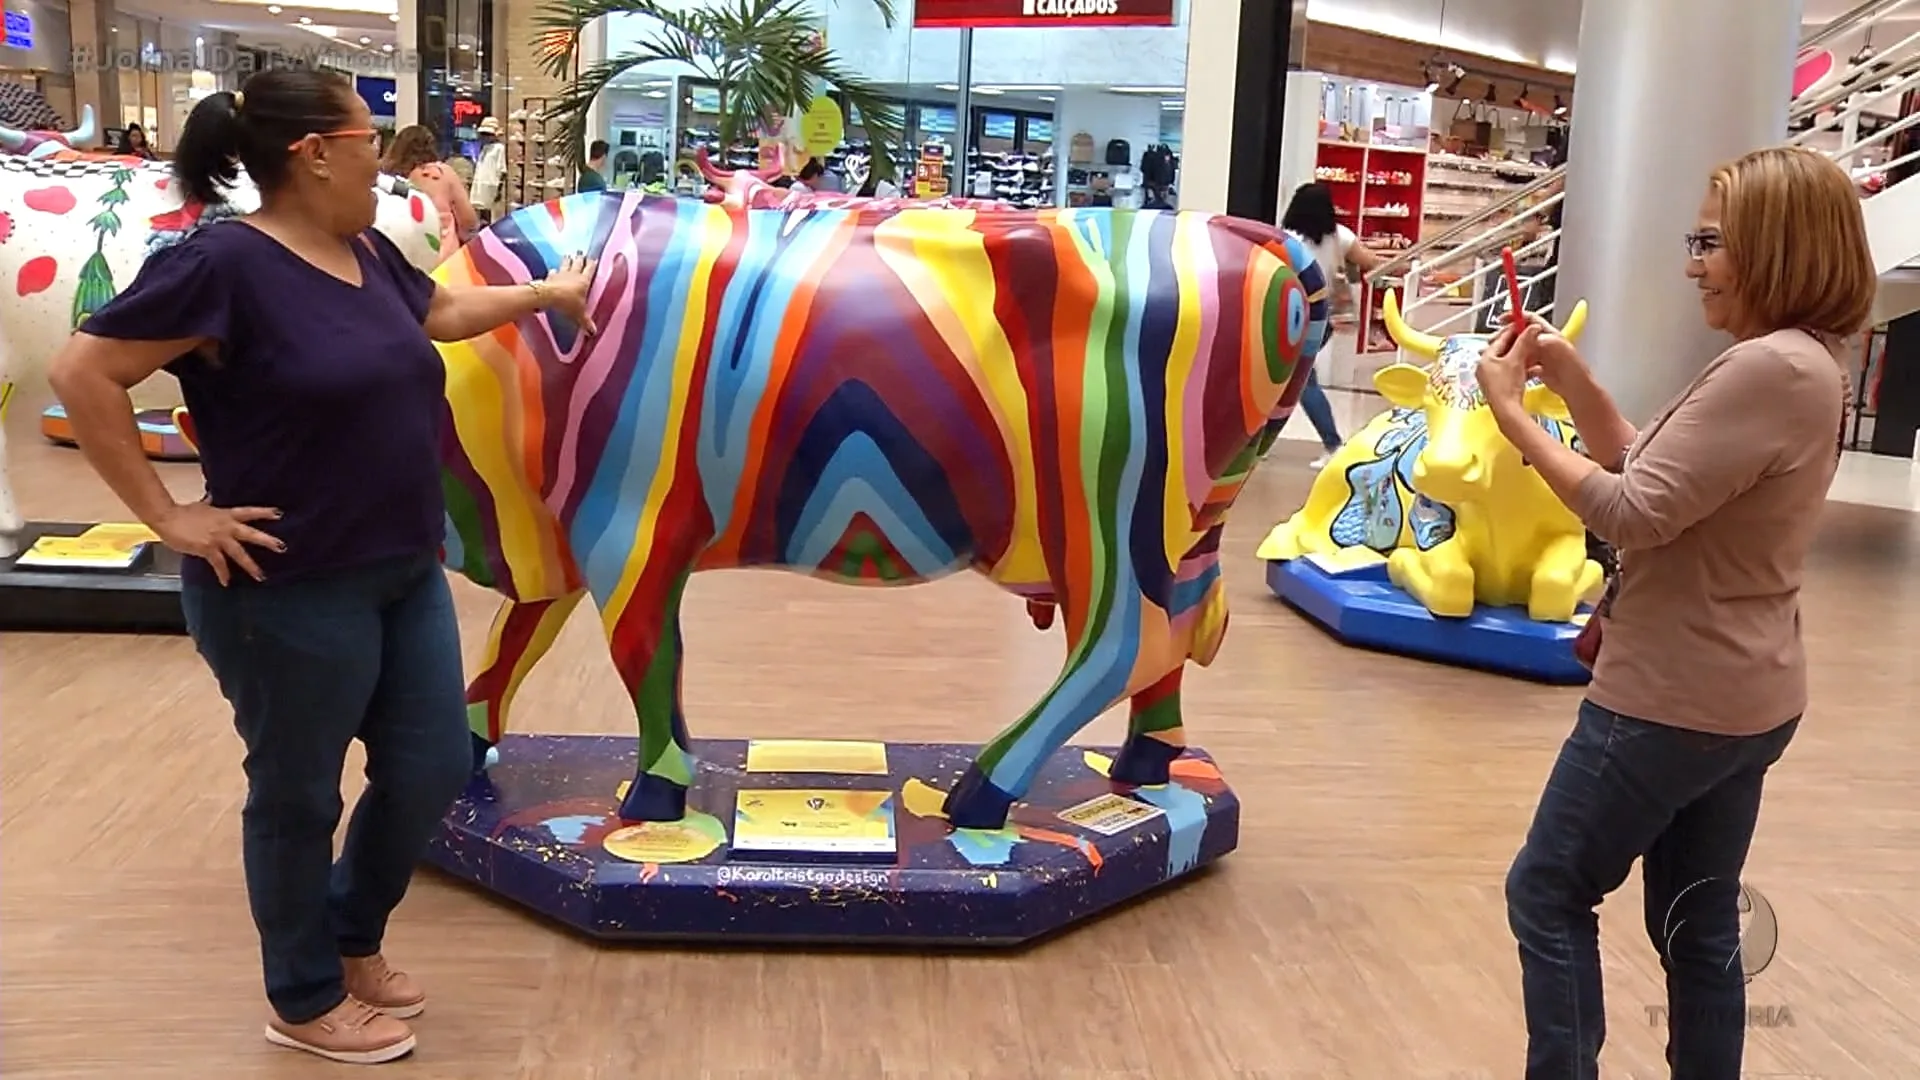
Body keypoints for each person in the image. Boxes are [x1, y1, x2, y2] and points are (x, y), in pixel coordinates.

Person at [44, 68, 596, 1066]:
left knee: (430, 767)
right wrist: (169, 514)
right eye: (366, 140)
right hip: (284, 588)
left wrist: (548, 294)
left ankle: (350, 934)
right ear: (315, 154)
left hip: (400, 566)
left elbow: (438, 316)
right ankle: (301, 996)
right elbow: (84, 370)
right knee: (298, 793)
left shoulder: (365, 253)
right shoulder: (220, 266)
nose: (382, 164)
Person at [1477, 145, 1869, 1080]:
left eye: (1711, 241)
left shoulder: (1766, 369)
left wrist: (1511, 416)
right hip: (1748, 695)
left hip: (1669, 700)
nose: (1695, 262)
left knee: (1548, 889)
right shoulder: (1803, 365)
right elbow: (1651, 471)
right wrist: (1571, 383)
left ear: (1773, 246)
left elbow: (1628, 510)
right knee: (1695, 920)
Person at [1279, 182, 1385, 468]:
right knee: (1290, 379)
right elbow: (1371, 262)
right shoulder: (1342, 237)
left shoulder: (1286, 239)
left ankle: (1333, 443)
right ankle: (1260, 442)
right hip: (1323, 317)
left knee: (1300, 380)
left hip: (1289, 315)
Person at [381, 124, 480, 259]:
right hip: (439, 264)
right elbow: (469, 222)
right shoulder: (442, 174)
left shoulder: (385, 176)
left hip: (394, 257)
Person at [469, 115, 506, 222]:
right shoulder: (484, 147)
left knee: (487, 210)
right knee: (478, 208)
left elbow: (501, 169)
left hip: (490, 183)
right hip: (480, 182)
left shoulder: (499, 148)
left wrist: (499, 188)